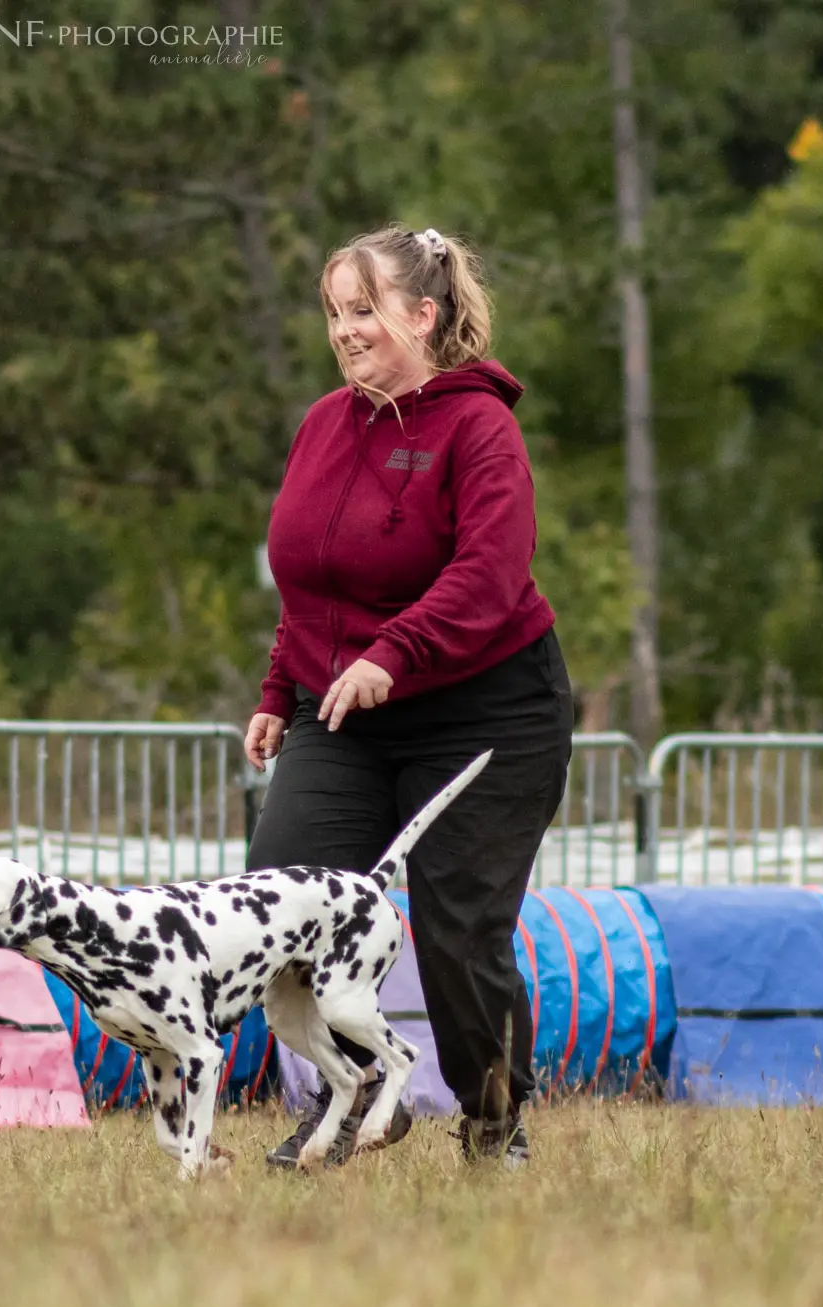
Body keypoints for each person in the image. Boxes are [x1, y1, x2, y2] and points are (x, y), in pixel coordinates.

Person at [244, 224, 574, 1170]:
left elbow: (491, 572)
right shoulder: (321, 425)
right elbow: (312, 578)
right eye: (335, 314)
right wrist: (280, 685)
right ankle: (351, 1100)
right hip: (345, 712)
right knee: (282, 902)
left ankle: (492, 1120)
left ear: (422, 315)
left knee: (459, 927)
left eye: (366, 311)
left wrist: (398, 650)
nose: (345, 332)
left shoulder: (479, 428)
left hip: (487, 712)